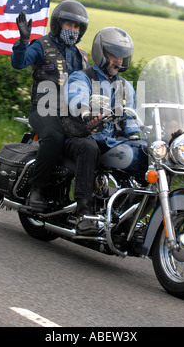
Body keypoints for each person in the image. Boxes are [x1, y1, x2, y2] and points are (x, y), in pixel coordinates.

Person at [11, 0, 89, 209]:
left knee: (92, 144)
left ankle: (85, 204)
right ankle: (36, 191)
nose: (72, 30)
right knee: (54, 137)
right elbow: (19, 63)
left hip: (70, 114)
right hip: (42, 109)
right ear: (57, 24)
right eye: (68, 24)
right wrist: (24, 40)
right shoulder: (41, 45)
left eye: (76, 26)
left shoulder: (81, 55)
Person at [64, 27, 139, 235]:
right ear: (101, 52)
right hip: (81, 134)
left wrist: (137, 134)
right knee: (89, 148)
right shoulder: (83, 77)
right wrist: (85, 111)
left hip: (109, 141)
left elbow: (131, 117)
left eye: (123, 57)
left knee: (142, 151)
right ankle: (83, 213)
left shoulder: (126, 87)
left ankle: (126, 212)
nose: (119, 62)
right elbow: (76, 96)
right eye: (114, 55)